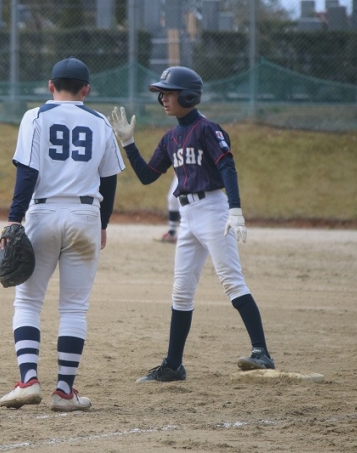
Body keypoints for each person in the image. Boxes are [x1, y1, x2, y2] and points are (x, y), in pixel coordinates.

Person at [108, 66, 275, 383]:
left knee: (231, 281)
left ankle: (262, 353)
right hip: (188, 216)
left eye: (169, 93)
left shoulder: (206, 129)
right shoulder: (170, 137)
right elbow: (147, 176)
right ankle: (173, 365)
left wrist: (235, 209)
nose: (163, 99)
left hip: (213, 210)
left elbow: (227, 167)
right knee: (182, 291)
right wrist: (128, 143)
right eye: (162, 94)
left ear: (188, 96)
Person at [0, 57, 125, 410]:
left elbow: (27, 172)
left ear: (50, 86)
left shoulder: (35, 116)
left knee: (27, 302)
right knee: (73, 308)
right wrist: (103, 223)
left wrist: (14, 219)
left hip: (43, 212)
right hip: (86, 215)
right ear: (86, 90)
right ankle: (64, 392)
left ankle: (28, 381)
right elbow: (109, 180)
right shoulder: (100, 122)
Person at [157, 174, 180, 244]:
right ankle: (172, 232)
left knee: (174, 199)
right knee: (172, 199)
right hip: (183, 171)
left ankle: (173, 232)